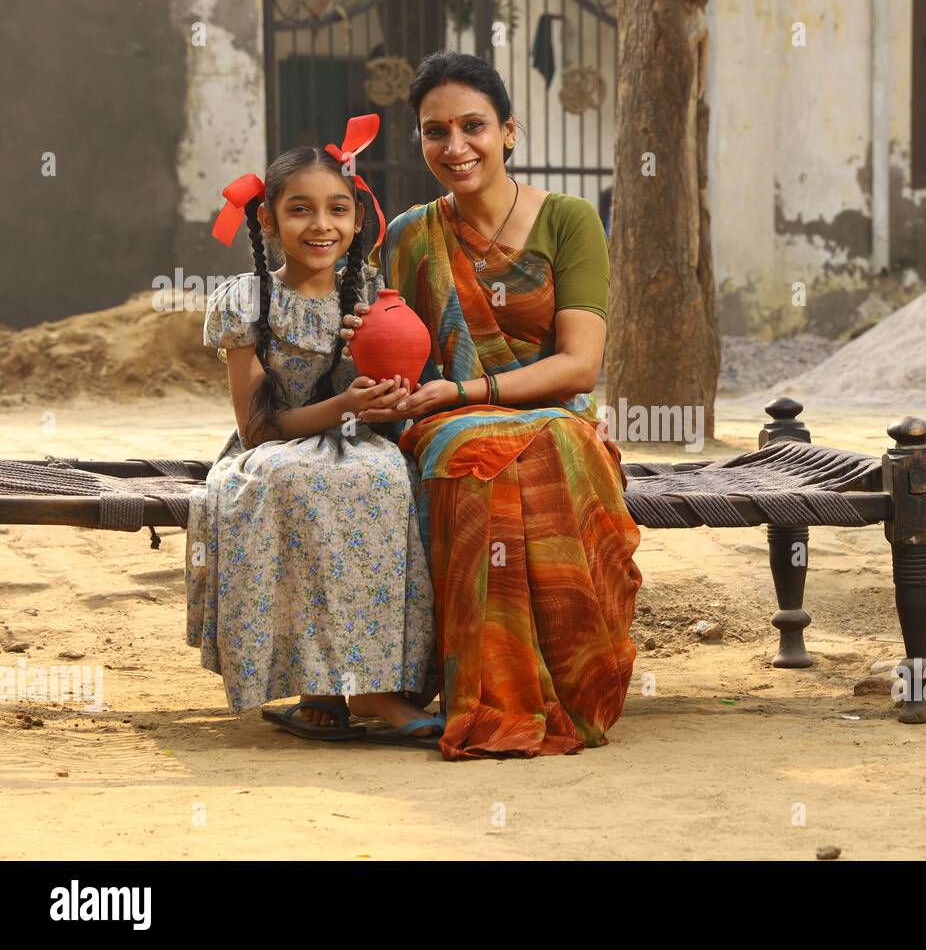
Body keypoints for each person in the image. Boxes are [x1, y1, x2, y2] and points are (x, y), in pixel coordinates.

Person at [341, 51, 642, 760]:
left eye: (472, 126)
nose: (454, 147)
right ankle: (493, 688)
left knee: (534, 444)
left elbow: (579, 364)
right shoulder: (412, 235)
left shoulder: (568, 221)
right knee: (470, 450)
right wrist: (373, 354)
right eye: (434, 131)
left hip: (550, 415)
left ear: (509, 131)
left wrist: (471, 390)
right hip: (442, 421)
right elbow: (404, 357)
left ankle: (559, 683)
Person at [186, 118, 441, 746]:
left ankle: (374, 684)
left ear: (358, 220)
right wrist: (341, 410)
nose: (321, 224)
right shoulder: (247, 300)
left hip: (359, 444)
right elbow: (255, 430)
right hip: (272, 449)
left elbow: (391, 392)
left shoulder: (372, 299)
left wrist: (387, 404)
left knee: (384, 475)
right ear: (269, 221)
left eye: (337, 209)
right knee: (291, 479)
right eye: (300, 210)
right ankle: (319, 685)